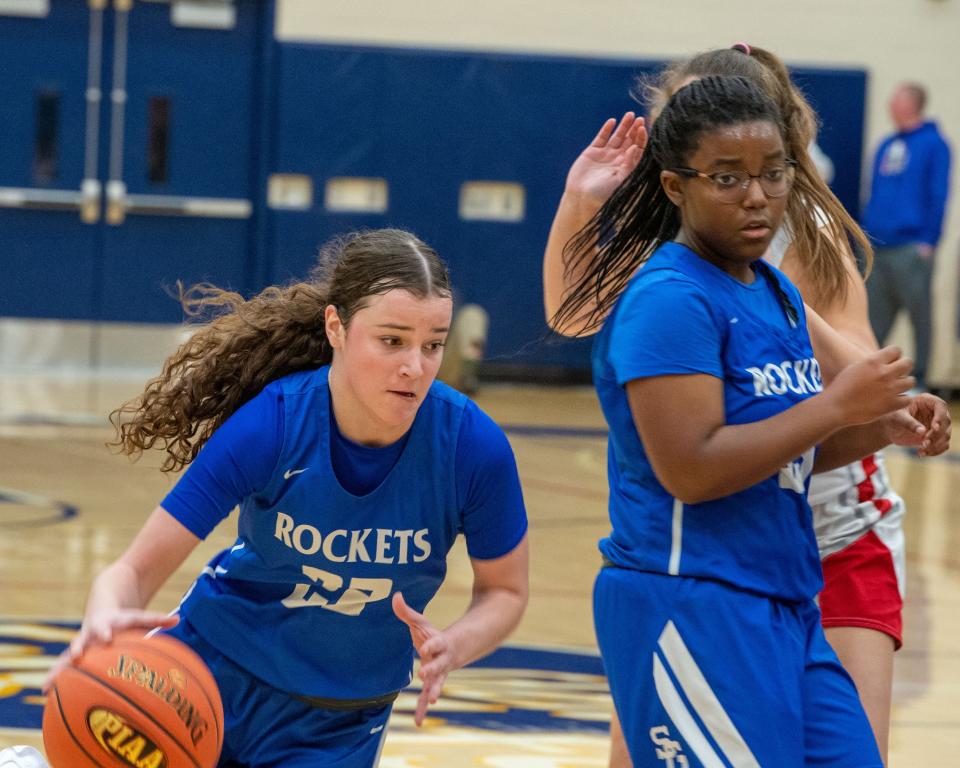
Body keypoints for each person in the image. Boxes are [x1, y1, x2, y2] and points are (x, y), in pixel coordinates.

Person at [552, 74, 950, 766]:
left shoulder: (774, 292)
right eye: (729, 178)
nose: (758, 195)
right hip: (693, 599)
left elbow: (784, 456)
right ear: (677, 186)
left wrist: (878, 429)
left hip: (786, 602)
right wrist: (837, 406)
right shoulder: (669, 298)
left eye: (772, 174)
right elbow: (694, 468)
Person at [46, 228, 530, 768]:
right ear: (336, 328)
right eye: (392, 341)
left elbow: (504, 592)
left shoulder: (473, 448)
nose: (414, 366)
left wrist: (456, 644)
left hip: (339, 720)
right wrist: (103, 621)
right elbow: (131, 573)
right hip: (208, 675)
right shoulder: (274, 425)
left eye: (433, 345)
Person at [862, 81, 952, 391]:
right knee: (872, 321)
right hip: (879, 246)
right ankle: (866, 383)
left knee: (920, 317)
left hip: (912, 248)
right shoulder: (886, 145)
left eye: (895, 98)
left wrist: (929, 241)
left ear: (911, 104)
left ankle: (922, 381)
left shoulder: (934, 144)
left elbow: (938, 194)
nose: (890, 104)